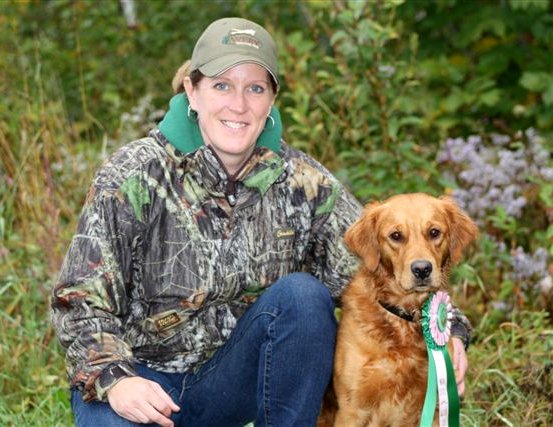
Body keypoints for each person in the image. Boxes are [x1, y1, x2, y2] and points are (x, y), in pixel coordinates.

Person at [51, 17, 471, 427]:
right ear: (191, 91)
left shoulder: (304, 183)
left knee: (303, 298)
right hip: (140, 381)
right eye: (221, 85)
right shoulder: (133, 174)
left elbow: (381, 274)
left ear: (271, 100)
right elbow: (79, 298)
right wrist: (116, 379)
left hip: (230, 384)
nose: (238, 104)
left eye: (255, 88)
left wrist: (449, 332)